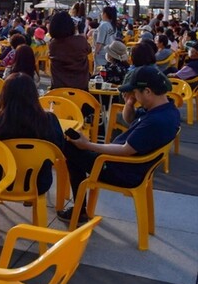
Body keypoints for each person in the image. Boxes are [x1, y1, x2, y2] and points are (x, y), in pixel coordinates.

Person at [57, 66, 180, 225]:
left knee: (69, 147)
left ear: (148, 91)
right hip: (130, 166)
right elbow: (131, 120)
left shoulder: (156, 121)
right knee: (75, 148)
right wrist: (129, 103)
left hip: (122, 170)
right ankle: (79, 208)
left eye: (135, 92)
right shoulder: (165, 109)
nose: (133, 95)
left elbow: (125, 150)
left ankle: (80, 211)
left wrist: (87, 145)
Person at [0, 73, 65, 195]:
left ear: (4, 95)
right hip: (38, 182)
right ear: (34, 95)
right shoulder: (49, 120)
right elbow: (59, 149)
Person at [48, 11, 91, 91]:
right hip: (81, 92)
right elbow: (88, 49)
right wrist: (81, 32)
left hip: (58, 92)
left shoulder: (52, 45)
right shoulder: (80, 41)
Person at [93, 6, 117, 70]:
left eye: (102, 12)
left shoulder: (103, 25)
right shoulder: (112, 25)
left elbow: (100, 42)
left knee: (99, 73)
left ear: (105, 14)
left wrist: (95, 53)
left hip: (101, 53)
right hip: (109, 52)